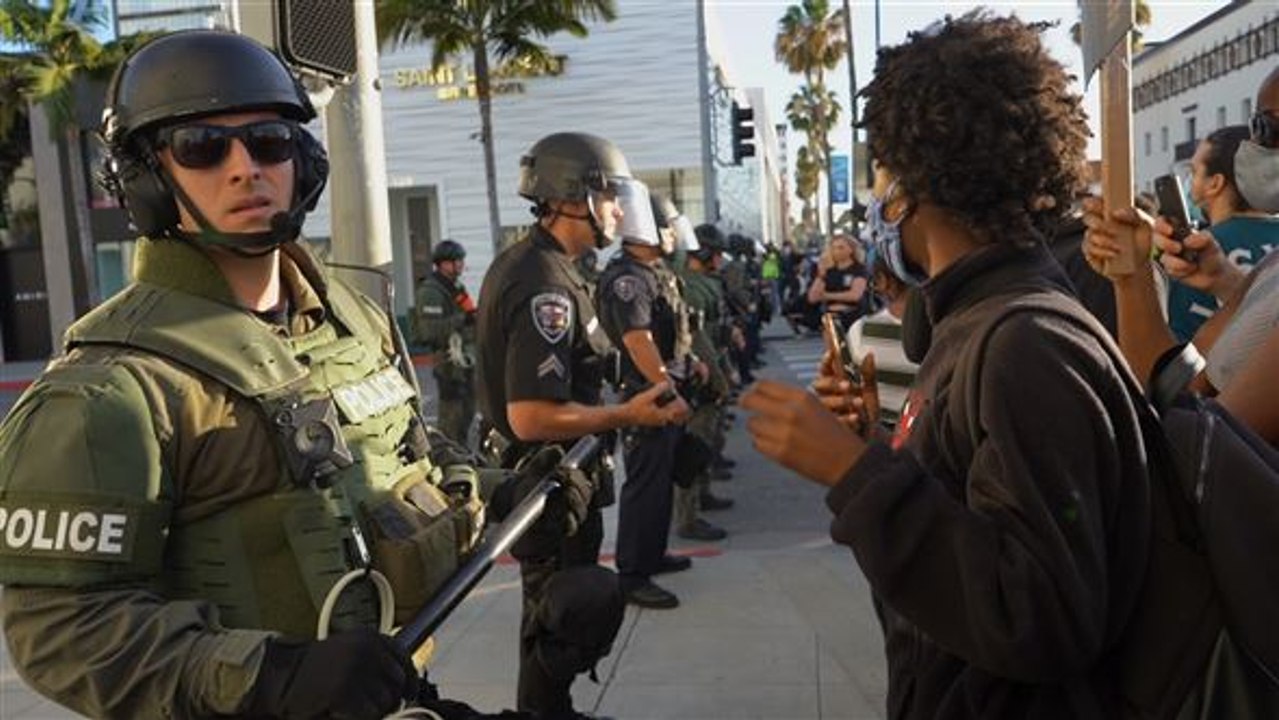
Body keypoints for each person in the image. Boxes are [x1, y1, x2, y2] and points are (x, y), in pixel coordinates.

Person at [0, 30, 500, 719]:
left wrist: (501, 489)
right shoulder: (112, 390)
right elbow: (60, 630)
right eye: (201, 147)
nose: (245, 169)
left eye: (268, 142)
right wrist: (265, 674)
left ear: (304, 163)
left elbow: (406, 453)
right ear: (145, 178)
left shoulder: (349, 318)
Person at [742, 13, 1153, 718]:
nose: (876, 204)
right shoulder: (975, 323)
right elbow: (970, 507)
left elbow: (1040, 617)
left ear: (912, 183)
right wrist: (873, 444)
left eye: (881, 177)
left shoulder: (1025, 343)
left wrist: (853, 472)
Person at [475, 131, 684, 718]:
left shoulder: (558, 268)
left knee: (565, 618)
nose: (621, 210)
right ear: (575, 196)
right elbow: (530, 414)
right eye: (612, 196)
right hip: (550, 482)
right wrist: (627, 412)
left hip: (567, 479)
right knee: (559, 618)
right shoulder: (543, 284)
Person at [596, 188, 698, 609]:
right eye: (667, 227)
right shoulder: (628, 279)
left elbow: (668, 333)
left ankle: (653, 554)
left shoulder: (652, 271)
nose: (673, 235)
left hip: (662, 390)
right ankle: (633, 574)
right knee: (645, 486)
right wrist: (668, 392)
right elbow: (639, 341)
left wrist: (691, 365)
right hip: (646, 397)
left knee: (661, 484)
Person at [1164, 124, 1279, 342]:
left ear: (1214, 183)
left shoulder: (1195, 251)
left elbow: (1177, 354)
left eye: (1194, 172)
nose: (1190, 183)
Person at [413, 238, 478, 447]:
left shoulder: (456, 287)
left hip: (465, 360)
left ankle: (463, 454)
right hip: (448, 363)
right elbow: (430, 330)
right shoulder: (431, 291)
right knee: (452, 417)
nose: (460, 265)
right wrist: (463, 319)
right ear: (442, 264)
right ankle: (448, 458)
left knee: (467, 413)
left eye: (461, 260)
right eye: (455, 260)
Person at [807, 233, 869, 331]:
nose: (837, 251)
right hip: (830, 318)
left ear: (851, 249)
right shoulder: (829, 271)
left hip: (853, 317)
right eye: (834, 248)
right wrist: (821, 275)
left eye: (841, 247)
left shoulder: (859, 269)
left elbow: (855, 295)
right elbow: (813, 297)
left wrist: (826, 295)